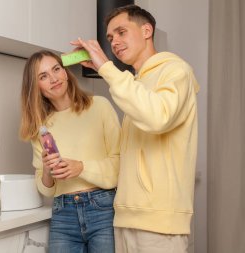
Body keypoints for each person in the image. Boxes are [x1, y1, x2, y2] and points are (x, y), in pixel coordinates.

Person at [71, 4, 200, 253]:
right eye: (110, 37)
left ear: (146, 30)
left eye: (121, 32)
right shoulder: (136, 83)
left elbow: (157, 117)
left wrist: (106, 68)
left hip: (159, 222)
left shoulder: (175, 70)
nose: (114, 42)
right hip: (127, 218)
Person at [20, 50, 121, 253]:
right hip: (63, 212)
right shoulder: (41, 129)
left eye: (56, 69)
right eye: (43, 76)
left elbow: (120, 164)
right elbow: (47, 189)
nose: (54, 78)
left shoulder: (99, 106)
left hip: (103, 209)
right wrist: (47, 170)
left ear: (66, 73)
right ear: (36, 87)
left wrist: (81, 168)